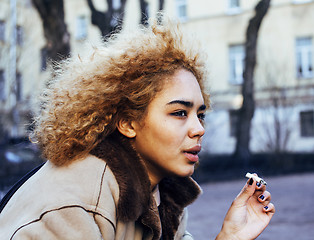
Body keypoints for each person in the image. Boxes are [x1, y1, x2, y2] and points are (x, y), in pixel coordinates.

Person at [0, 19, 275, 240]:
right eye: (179, 113)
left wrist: (229, 237)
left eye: (200, 114)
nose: (198, 128)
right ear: (128, 123)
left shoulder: (163, 194)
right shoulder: (74, 205)